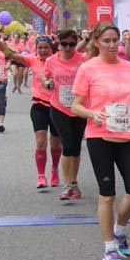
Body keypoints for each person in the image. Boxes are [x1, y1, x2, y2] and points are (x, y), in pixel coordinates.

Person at [69, 23, 130, 260]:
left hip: (125, 137)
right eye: (107, 41)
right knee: (107, 195)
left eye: (115, 40)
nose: (112, 45)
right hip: (99, 137)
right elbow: (76, 106)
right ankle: (109, 248)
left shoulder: (128, 68)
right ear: (96, 42)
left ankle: (120, 229)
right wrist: (93, 114)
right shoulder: (88, 68)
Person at [0, 33, 63, 188]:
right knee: (41, 142)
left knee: (55, 144)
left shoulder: (58, 60)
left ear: (52, 48)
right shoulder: (32, 60)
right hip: (39, 106)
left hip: (57, 107)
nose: (43, 51)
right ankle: (41, 176)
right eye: (40, 48)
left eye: (46, 48)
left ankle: (55, 170)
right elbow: (10, 54)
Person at [46, 28, 89, 201]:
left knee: (76, 146)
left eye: (72, 44)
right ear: (59, 43)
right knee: (68, 145)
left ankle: (74, 182)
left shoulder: (84, 60)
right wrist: (47, 83)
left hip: (78, 108)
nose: (68, 48)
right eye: (64, 44)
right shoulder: (51, 60)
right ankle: (66, 185)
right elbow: (46, 77)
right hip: (59, 108)